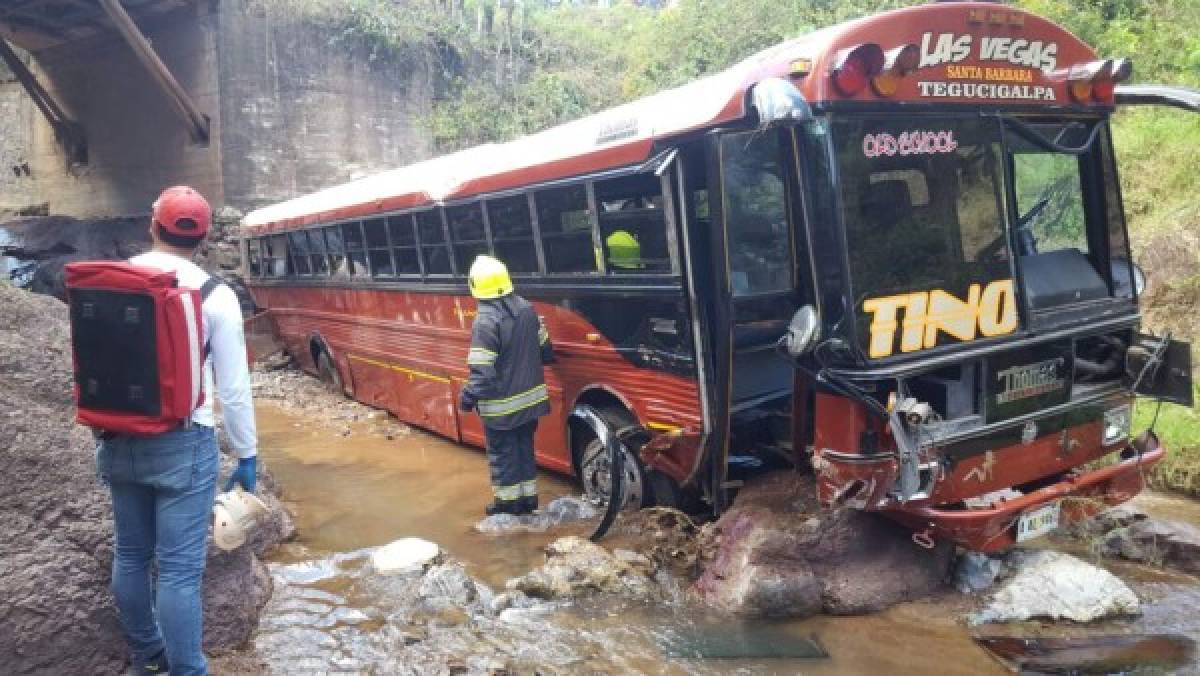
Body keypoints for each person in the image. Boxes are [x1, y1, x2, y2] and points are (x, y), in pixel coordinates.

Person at [96, 186, 257, 676]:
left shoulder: (114, 280)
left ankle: (150, 655)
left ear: (153, 226)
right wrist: (247, 454)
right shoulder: (216, 294)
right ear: (204, 238)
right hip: (185, 441)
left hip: (118, 435)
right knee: (180, 571)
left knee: (131, 555)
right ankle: (188, 669)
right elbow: (233, 388)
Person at [459, 255, 554, 516]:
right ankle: (528, 502)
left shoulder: (486, 320)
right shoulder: (527, 308)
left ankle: (507, 506)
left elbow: (482, 372)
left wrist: (466, 398)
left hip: (501, 409)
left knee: (503, 456)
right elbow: (546, 351)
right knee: (524, 450)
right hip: (532, 404)